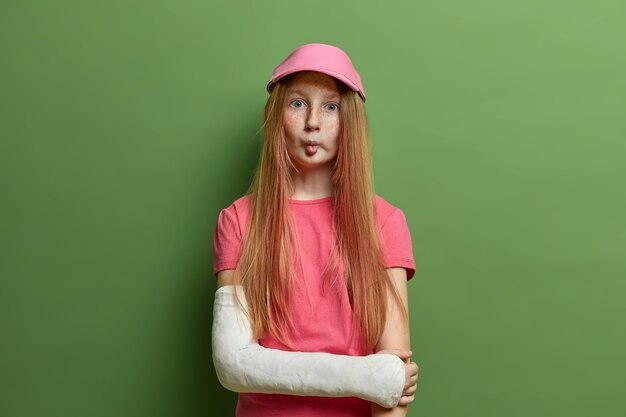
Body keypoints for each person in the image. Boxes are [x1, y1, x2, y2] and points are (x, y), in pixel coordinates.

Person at [212, 43, 419, 417]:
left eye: (331, 106)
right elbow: (232, 362)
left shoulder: (385, 221)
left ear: (349, 121)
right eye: (297, 103)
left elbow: (392, 378)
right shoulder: (238, 221)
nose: (313, 122)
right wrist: (372, 376)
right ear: (276, 116)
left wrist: (386, 379)